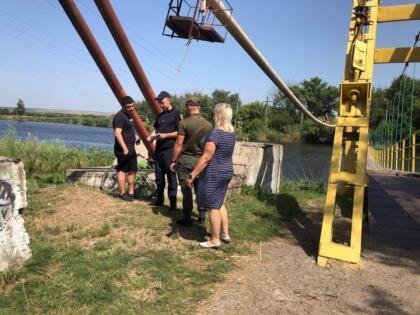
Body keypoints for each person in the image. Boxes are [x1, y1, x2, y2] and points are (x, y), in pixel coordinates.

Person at [185, 103, 236, 248]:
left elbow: (207, 157)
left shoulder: (216, 133)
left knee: (213, 206)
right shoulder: (231, 132)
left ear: (217, 115)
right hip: (227, 170)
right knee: (220, 202)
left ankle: (214, 240)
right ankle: (224, 234)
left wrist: (192, 175)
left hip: (215, 172)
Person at [171, 96, 212, 226]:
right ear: (199, 107)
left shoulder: (184, 123)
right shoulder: (209, 125)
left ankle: (187, 217)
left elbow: (178, 144)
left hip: (186, 161)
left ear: (189, 107)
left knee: (186, 190)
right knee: (200, 189)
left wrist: (173, 160)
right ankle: (201, 215)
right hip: (202, 163)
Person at [148, 91, 180, 211]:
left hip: (170, 150)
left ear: (168, 100)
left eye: (162, 102)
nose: (160, 104)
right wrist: (150, 137)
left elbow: (179, 133)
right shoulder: (160, 115)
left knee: (171, 177)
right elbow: (155, 130)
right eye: (159, 102)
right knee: (159, 177)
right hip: (159, 151)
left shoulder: (176, 114)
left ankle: (172, 204)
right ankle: (159, 199)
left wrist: (166, 135)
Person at [113, 96, 137, 202]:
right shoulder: (119, 117)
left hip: (131, 148)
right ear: (123, 106)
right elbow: (117, 133)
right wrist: (124, 148)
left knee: (132, 170)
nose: (131, 108)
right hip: (123, 150)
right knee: (122, 171)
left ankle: (131, 193)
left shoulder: (129, 115)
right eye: (128, 107)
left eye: (132, 106)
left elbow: (129, 130)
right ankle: (122, 193)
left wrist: (136, 138)